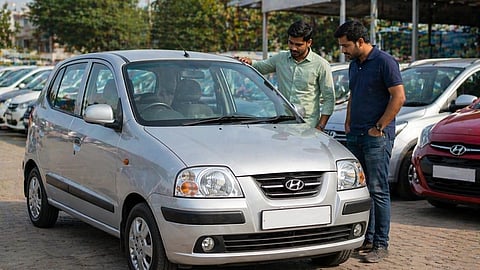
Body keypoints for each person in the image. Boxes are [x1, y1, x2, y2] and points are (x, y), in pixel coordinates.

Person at [333, 20, 405, 263]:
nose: (343, 51)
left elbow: (399, 97)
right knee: (362, 190)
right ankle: (368, 238)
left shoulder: (385, 62)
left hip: (376, 138)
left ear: (360, 41)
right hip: (355, 134)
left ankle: (381, 244)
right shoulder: (355, 65)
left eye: (346, 46)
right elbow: (354, 94)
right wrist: (349, 120)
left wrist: (379, 127)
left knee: (378, 189)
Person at [237, 20, 335, 131]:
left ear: (309, 43)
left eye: (298, 45)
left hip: (307, 128)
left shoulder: (321, 65)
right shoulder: (280, 59)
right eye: (290, 43)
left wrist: (320, 127)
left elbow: (329, 99)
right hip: (282, 126)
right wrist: (249, 62)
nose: (293, 48)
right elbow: (260, 67)